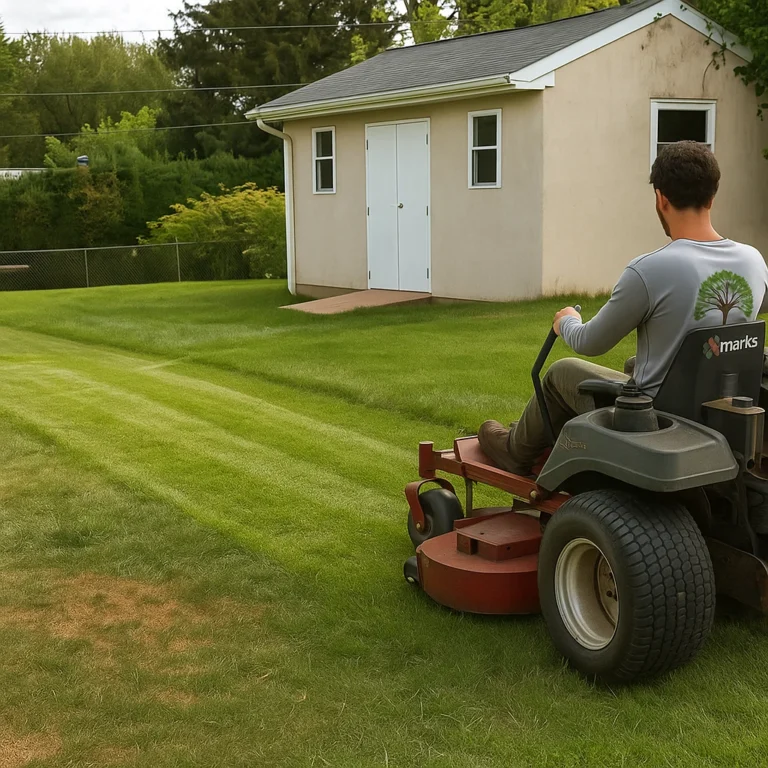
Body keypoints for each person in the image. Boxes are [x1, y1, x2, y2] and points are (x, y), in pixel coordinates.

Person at [479, 140, 768, 476]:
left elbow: (592, 343)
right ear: (712, 196)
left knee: (562, 371)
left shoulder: (649, 270)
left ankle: (515, 449)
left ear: (661, 198)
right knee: (634, 362)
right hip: (721, 405)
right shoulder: (753, 261)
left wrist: (567, 322)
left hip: (654, 415)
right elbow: (752, 310)